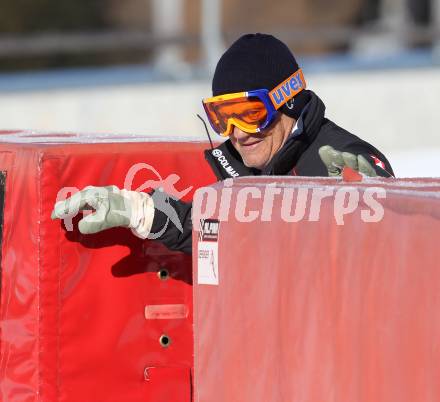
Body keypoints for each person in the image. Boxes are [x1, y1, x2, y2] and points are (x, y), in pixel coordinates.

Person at [51, 33, 394, 254]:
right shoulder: (244, 170)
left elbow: (392, 260)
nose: (238, 133)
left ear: (287, 100)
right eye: (222, 117)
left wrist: (372, 213)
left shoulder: (342, 162)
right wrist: (139, 210)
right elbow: (222, 228)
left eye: (249, 113)